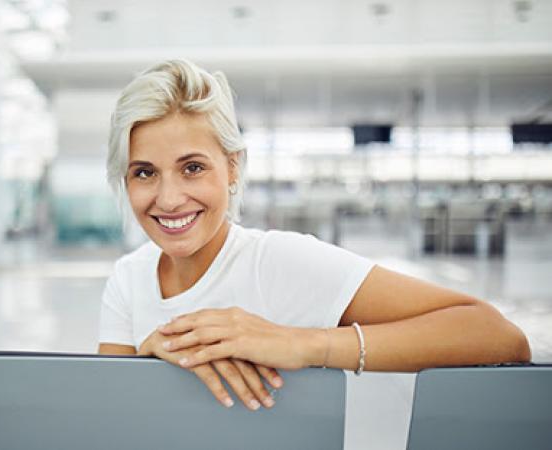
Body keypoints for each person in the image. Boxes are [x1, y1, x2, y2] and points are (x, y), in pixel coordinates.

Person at [97, 59, 531, 411]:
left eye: (193, 167)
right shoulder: (129, 279)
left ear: (231, 167)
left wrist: (304, 343)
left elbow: (498, 335)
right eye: (145, 173)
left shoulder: (280, 261)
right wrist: (148, 363)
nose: (169, 199)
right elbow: (105, 419)